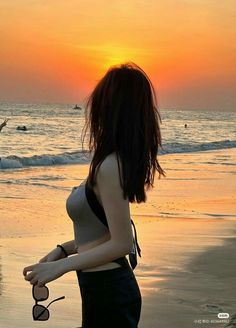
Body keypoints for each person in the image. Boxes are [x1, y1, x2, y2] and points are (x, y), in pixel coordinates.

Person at [23, 62, 165, 327]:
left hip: (110, 290)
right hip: (102, 287)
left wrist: (62, 267)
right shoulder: (109, 162)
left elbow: (122, 243)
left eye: (100, 98)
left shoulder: (111, 166)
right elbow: (106, 234)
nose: (92, 105)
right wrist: (62, 251)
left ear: (111, 107)